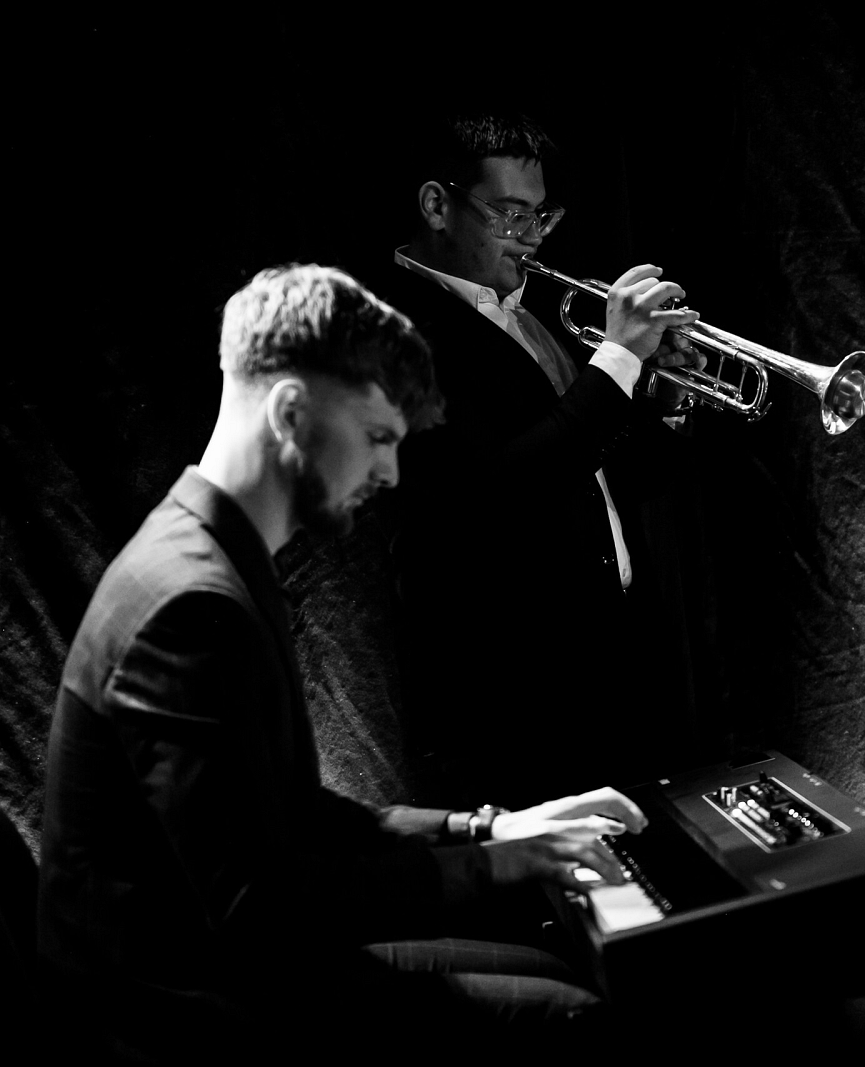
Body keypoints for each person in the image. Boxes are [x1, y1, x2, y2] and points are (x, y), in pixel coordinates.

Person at [35, 264, 666, 1063]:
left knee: (559, 966)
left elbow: (292, 816)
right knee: (579, 1016)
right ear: (291, 413)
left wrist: (491, 827)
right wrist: (492, 864)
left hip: (232, 964)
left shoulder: (214, 556)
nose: (391, 475)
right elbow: (259, 904)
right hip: (180, 1012)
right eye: (377, 438)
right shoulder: (191, 603)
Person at [370, 113, 717, 809]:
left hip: (610, 668)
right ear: (437, 205)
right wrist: (616, 360)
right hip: (513, 699)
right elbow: (502, 489)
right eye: (509, 214)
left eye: (541, 217)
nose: (531, 237)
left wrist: (663, 397)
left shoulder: (528, 320)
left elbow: (605, 478)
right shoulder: (397, 333)